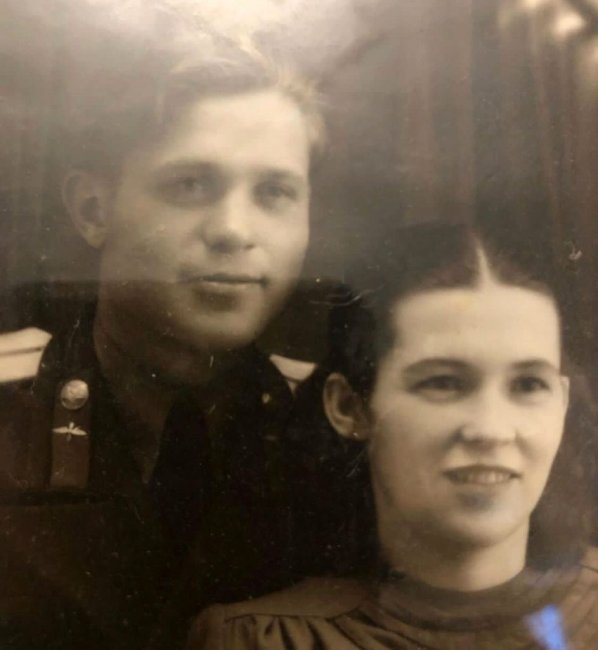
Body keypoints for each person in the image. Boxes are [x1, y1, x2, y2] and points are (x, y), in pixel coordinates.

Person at [0, 24, 325, 650]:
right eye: (190, 185)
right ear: (93, 210)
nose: (234, 230)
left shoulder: (331, 435)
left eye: (274, 192)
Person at [189, 222, 598, 649]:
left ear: (562, 403)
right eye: (443, 383)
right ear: (349, 407)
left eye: (529, 385)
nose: (491, 430)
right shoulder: (263, 641)